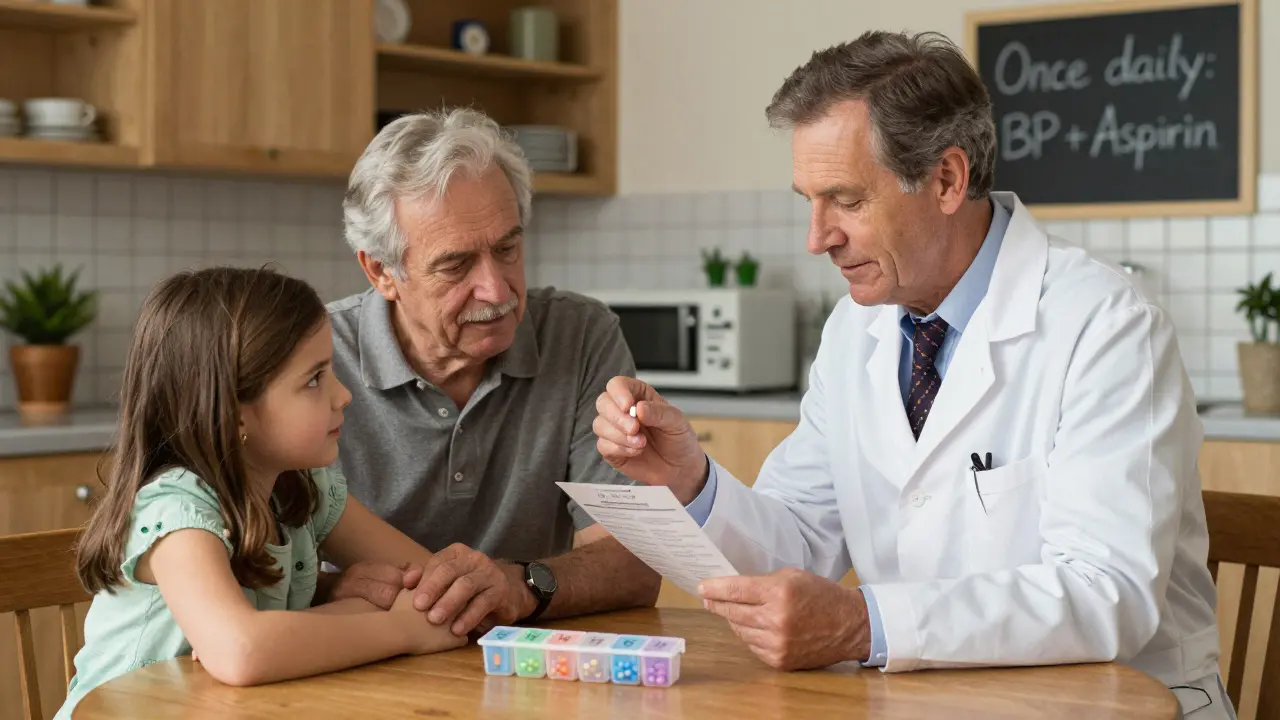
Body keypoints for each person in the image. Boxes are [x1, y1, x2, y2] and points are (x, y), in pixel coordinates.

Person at [592, 31, 1230, 720]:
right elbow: (798, 544)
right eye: (808, 198)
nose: (817, 237)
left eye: (846, 199)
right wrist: (690, 476)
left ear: (948, 181)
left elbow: (1108, 594)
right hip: (926, 702)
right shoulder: (854, 329)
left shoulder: (1105, 325)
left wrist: (865, 624)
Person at [57, 267, 467, 719]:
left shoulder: (304, 489)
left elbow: (434, 586)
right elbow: (241, 651)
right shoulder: (177, 511)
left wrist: (355, 605)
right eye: (314, 379)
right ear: (232, 414)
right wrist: (398, 629)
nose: (343, 395)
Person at [318, 108, 659, 636]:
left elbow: (636, 567)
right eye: (455, 265)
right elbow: (245, 560)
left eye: (507, 249)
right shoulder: (314, 359)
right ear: (382, 272)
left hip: (524, 668)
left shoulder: (581, 335)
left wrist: (522, 586)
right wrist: (324, 588)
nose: (497, 291)